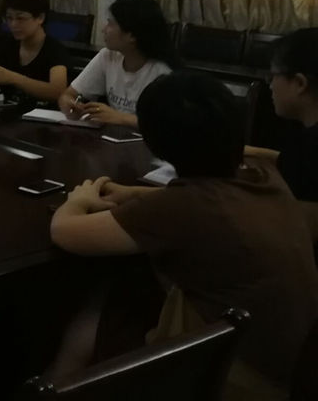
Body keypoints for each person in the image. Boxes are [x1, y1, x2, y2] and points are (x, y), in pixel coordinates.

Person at [49, 71, 318, 398]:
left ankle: (54, 386)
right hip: (290, 364)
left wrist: (79, 200)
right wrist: (135, 194)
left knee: (98, 307)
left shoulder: (181, 208)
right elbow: (201, 201)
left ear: (155, 143)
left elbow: (65, 231)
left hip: (233, 375)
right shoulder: (262, 174)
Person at [58, 0, 175, 127]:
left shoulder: (163, 73)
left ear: (131, 35)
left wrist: (120, 118)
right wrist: (68, 103)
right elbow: (68, 94)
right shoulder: (108, 56)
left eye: (111, 24)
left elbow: (167, 125)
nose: (104, 30)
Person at [243, 28, 318, 235]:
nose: (270, 86)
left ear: (300, 83)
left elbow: (298, 231)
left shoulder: (309, 149)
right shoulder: (306, 138)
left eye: (273, 76)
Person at [0, 0, 70, 103]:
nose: (13, 24)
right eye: (9, 18)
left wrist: (12, 78)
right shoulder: (6, 44)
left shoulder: (55, 50)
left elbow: (58, 92)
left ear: (40, 18)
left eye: (20, 18)